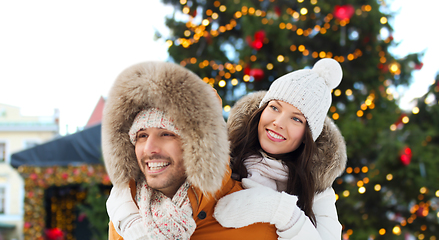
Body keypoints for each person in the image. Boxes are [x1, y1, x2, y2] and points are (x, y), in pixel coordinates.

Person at [102, 61, 278, 239]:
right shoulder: (127, 218)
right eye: (142, 136)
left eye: (166, 134)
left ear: (201, 145)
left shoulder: (256, 219)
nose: (149, 148)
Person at [214, 58, 347, 239]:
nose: (278, 123)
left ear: (306, 137)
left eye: (296, 119)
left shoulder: (317, 190)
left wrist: (282, 211)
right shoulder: (224, 156)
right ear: (262, 110)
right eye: (275, 108)